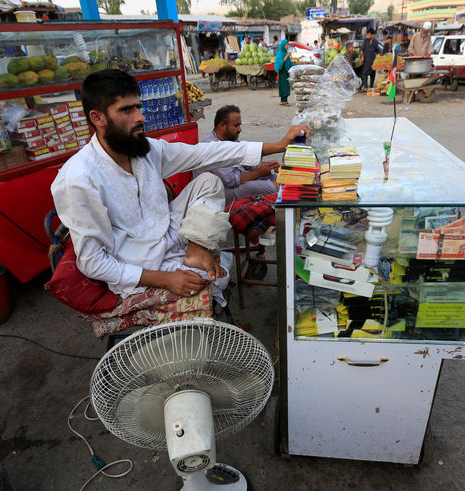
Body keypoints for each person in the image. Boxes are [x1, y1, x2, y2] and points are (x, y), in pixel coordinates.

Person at [51, 70, 308, 306]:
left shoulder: (145, 150)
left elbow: (204, 154)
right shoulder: (78, 178)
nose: (140, 117)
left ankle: (196, 248)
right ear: (97, 118)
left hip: (168, 234)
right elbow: (92, 263)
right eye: (126, 110)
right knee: (211, 278)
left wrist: (277, 145)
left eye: (138, 107)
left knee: (209, 182)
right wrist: (165, 280)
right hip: (139, 260)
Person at [193, 105, 298, 206]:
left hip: (233, 182)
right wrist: (259, 172)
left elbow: (247, 161)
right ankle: (289, 190)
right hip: (217, 193)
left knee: (269, 176)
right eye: (236, 126)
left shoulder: (230, 140)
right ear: (222, 126)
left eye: (239, 125)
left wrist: (264, 167)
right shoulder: (211, 147)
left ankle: (291, 186)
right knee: (251, 187)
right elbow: (231, 181)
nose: (240, 129)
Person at [275, 39, 294, 106]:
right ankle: (284, 101)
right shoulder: (280, 53)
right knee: (284, 86)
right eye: (286, 44)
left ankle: (283, 101)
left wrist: (295, 67)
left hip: (286, 71)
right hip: (282, 71)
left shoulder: (285, 52)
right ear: (283, 45)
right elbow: (280, 62)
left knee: (285, 85)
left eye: (288, 44)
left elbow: (289, 62)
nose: (287, 46)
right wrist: (287, 56)